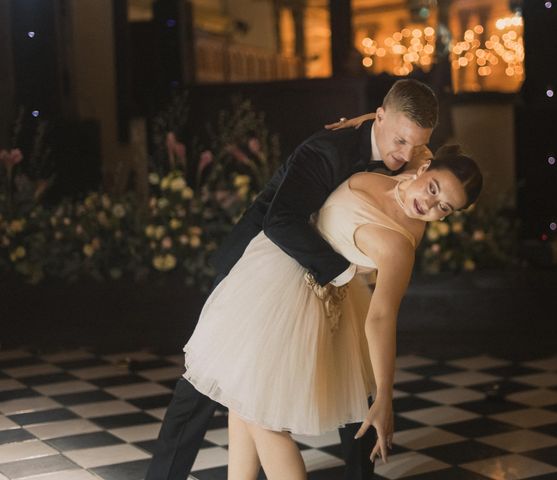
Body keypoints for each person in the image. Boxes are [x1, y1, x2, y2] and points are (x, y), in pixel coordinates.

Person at [146, 79, 440, 480]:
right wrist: (342, 274)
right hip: (263, 261)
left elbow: (432, 175)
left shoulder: (412, 156)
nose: (404, 154)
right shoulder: (326, 149)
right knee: (204, 386)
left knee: (354, 377)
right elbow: (280, 221)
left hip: (324, 268)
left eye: (416, 145)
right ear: (380, 116)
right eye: (399, 140)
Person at [182, 149, 482, 479]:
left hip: (305, 302)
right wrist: (357, 124)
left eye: (444, 208)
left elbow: (382, 317)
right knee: (242, 400)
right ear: (424, 168)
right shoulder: (409, 164)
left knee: (261, 419)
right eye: (434, 189)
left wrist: (384, 395)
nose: (430, 205)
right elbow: (400, 118)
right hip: (275, 270)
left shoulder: (399, 248)